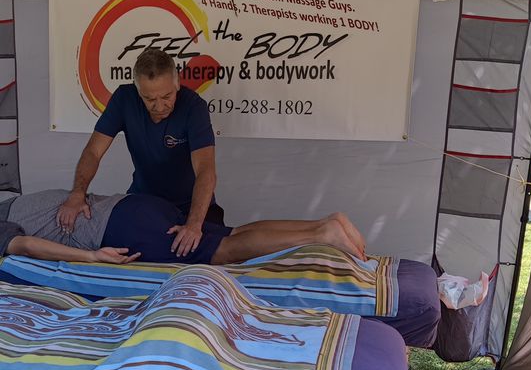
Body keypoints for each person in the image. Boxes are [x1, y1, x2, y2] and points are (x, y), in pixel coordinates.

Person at [58, 48, 223, 259]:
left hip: (192, 206)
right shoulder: (124, 99)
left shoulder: (194, 107)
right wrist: (77, 193)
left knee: (215, 254)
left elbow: (205, 169)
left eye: (167, 96)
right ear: (138, 91)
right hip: (144, 203)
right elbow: (93, 151)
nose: (160, 106)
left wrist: (194, 224)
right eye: (149, 99)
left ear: (177, 84)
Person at [2, 190, 367, 265]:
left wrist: (92, 257)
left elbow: (25, 246)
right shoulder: (16, 202)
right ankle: (323, 223)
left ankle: (321, 235)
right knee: (232, 233)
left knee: (221, 253)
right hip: (135, 205)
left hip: (119, 228)